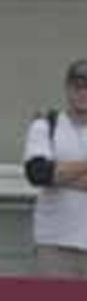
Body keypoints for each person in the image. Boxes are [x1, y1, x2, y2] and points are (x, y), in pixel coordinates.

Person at [22, 58, 87, 277]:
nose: (83, 93)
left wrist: (59, 175)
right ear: (67, 88)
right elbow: (38, 173)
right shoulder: (46, 124)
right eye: (78, 87)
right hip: (54, 243)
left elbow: (50, 175)